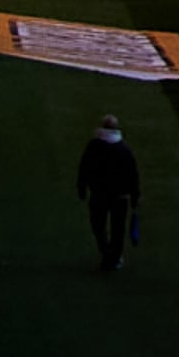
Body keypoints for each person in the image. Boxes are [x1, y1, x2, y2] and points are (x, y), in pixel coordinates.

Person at [76, 114, 142, 271]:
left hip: (99, 194)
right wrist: (134, 197)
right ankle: (115, 256)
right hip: (119, 197)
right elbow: (133, 175)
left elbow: (84, 168)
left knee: (98, 225)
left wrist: (82, 188)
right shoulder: (124, 149)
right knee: (118, 228)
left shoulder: (93, 146)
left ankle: (106, 253)